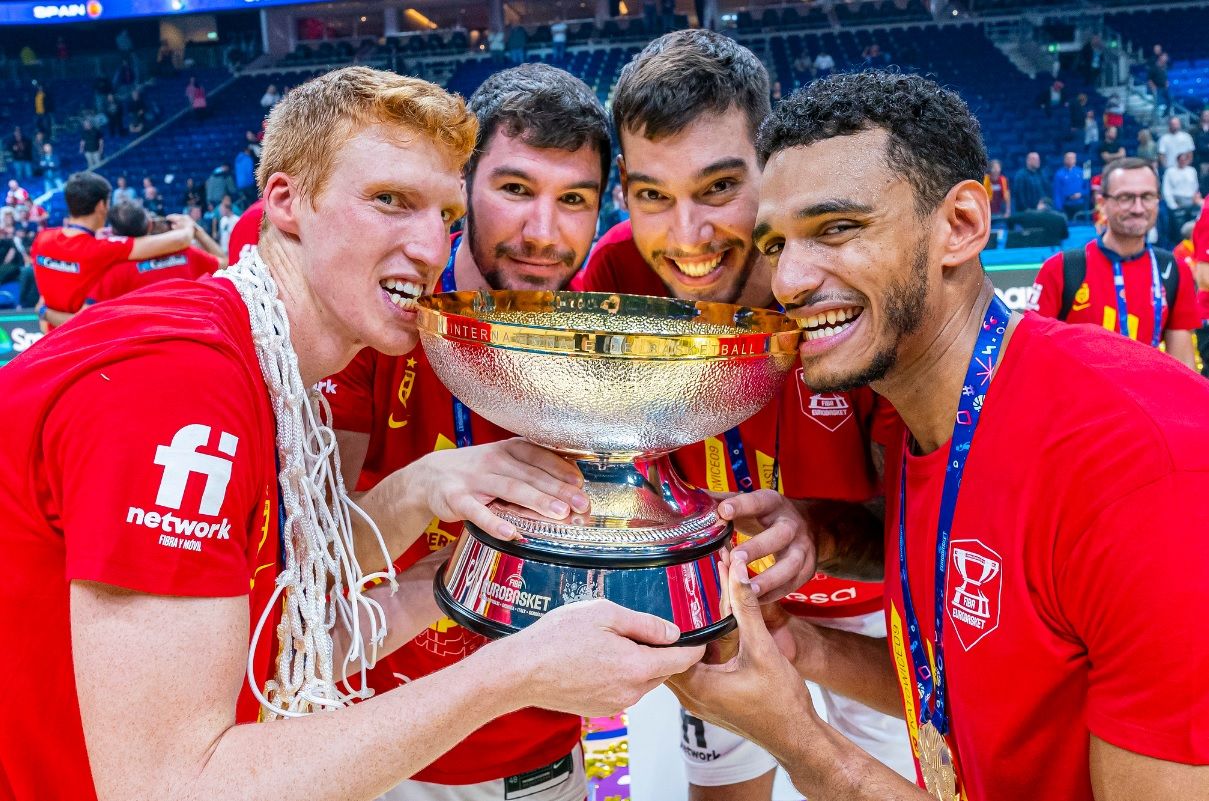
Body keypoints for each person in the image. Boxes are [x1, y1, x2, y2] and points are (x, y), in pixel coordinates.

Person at [0, 66, 705, 801]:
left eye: (444, 215)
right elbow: (170, 786)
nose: (430, 246)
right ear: (285, 200)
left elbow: (283, 645)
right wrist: (514, 671)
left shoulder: (260, 367)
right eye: (389, 201)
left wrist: (443, 546)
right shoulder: (182, 385)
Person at [670, 69, 1209, 801]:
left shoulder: (1139, 464)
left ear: (960, 225)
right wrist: (804, 641)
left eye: (836, 228)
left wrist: (801, 741)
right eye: (774, 243)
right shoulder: (926, 428)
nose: (789, 280)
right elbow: (982, 691)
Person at [575, 30, 914, 800]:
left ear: (774, 166)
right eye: (653, 194)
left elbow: (920, 518)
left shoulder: (852, 285)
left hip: (869, 617)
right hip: (715, 598)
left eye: (720, 187)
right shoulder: (618, 273)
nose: (687, 238)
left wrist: (819, 532)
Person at [323, 63, 629, 801]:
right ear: (463, 186)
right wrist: (421, 490)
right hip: (378, 759)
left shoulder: (610, 334)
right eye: (516, 190)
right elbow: (305, 568)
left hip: (544, 760)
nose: (542, 233)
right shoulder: (377, 320)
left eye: (574, 200)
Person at [1032, 157, 1199, 368]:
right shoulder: (1061, 269)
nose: (1138, 208)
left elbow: (1182, 367)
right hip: (1080, 400)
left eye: (1147, 196)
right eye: (1126, 198)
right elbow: (1034, 358)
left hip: (1143, 398)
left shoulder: (1174, 271)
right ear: (1102, 202)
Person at [30, 172, 196, 327]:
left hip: (49, 341)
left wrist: (44, 312)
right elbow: (179, 241)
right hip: (86, 345)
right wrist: (189, 226)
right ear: (102, 205)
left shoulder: (42, 239)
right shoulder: (103, 249)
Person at [1052, 151, 1085, 219]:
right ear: (1064, 160)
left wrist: (1081, 194)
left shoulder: (1081, 172)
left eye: (1072, 158)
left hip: (1080, 204)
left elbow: (1087, 188)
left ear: (1075, 159)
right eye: (1068, 158)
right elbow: (1057, 192)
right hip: (1066, 205)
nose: (1070, 160)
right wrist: (1059, 208)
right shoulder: (1059, 174)